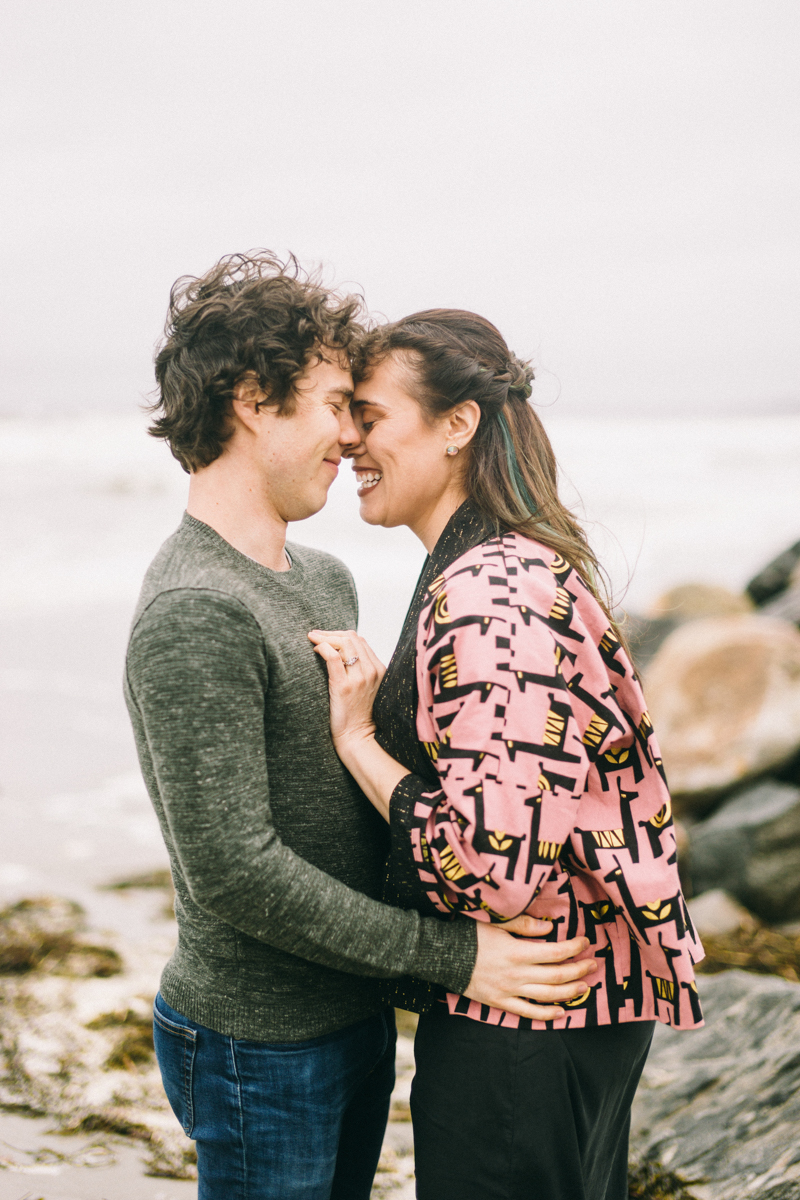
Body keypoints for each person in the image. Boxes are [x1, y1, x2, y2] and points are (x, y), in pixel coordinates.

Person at [124, 257, 597, 1200]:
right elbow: (235, 870)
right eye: (336, 405)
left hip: (356, 1014)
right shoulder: (194, 610)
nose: (349, 436)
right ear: (256, 400)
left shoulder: (324, 578)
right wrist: (458, 958)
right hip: (256, 1044)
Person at [309, 308, 705, 1200]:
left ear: (458, 425)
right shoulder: (513, 564)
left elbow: (496, 866)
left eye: (368, 415)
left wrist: (357, 742)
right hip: (567, 1002)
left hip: (529, 1015)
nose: (346, 441)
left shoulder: (491, 590)